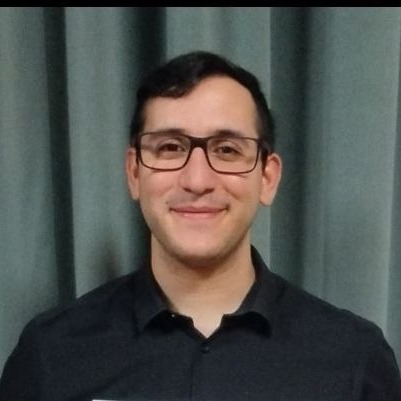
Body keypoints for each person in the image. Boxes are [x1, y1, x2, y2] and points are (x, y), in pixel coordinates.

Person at [0, 50, 400, 401]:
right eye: (170, 147)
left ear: (267, 177)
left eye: (226, 150)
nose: (197, 180)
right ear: (134, 172)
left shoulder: (354, 359)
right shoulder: (50, 354)